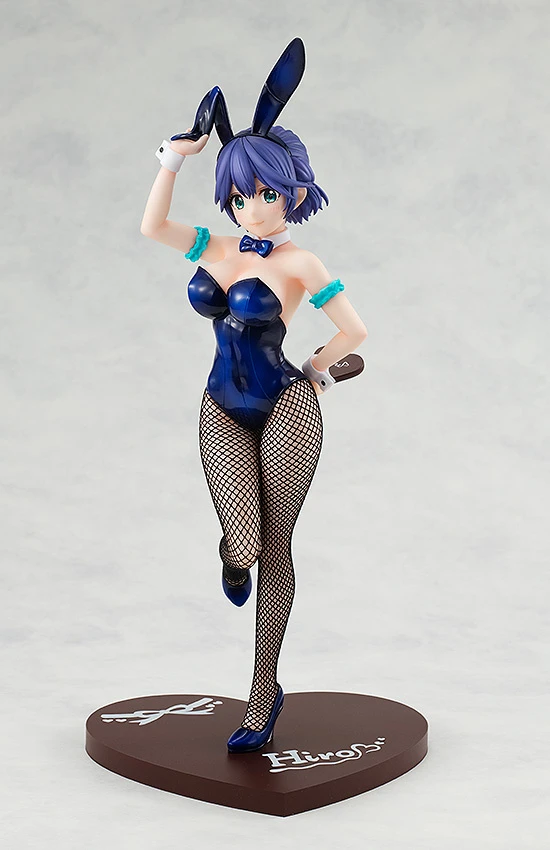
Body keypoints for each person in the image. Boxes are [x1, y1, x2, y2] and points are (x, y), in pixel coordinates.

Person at [140, 38, 368, 753]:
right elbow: (152, 227)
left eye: (266, 193)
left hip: (286, 404)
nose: (252, 207)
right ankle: (231, 554)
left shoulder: (302, 261)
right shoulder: (215, 246)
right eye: (239, 195)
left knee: (277, 545)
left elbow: (354, 330)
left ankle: (263, 692)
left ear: (292, 192)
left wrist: (321, 367)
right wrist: (174, 159)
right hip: (222, 404)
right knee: (243, 542)